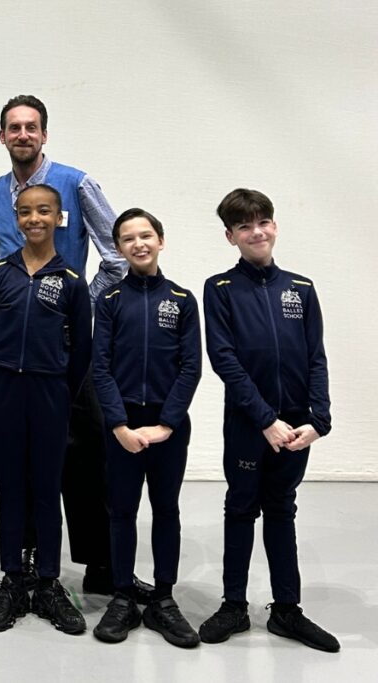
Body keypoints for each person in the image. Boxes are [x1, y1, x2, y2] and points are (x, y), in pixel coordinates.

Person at [0, 95, 137, 596]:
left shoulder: (76, 182)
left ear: (44, 134)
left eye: (31, 127)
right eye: (13, 128)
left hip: (71, 348)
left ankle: (100, 565)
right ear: (2, 136)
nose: (22, 135)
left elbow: (115, 256)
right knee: (21, 458)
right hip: (16, 352)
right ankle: (25, 562)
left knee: (88, 452)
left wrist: (79, 311)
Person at [198, 189, 339, 653]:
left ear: (274, 226)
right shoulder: (219, 289)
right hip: (248, 425)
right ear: (230, 236)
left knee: (281, 509)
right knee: (240, 508)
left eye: (263, 222)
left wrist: (320, 418)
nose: (255, 232)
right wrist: (264, 419)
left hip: (298, 428)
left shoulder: (300, 288)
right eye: (244, 226)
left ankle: (287, 611)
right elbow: (224, 359)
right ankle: (234, 606)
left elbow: (316, 356)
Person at [0, 184, 91, 635]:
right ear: (16, 218)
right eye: (25, 212)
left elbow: (81, 349)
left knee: (46, 489)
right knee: (11, 490)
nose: (34, 219)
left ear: (58, 217)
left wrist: (58, 386)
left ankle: (47, 581)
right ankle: (12, 578)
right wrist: (3, 374)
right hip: (6, 390)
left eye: (44, 211)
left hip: (50, 394)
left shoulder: (71, 282)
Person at [90, 209, 201, 648]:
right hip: (122, 428)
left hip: (167, 428)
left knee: (166, 510)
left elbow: (191, 367)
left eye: (146, 236)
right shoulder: (110, 300)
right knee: (120, 511)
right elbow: (99, 368)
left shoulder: (182, 299)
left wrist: (167, 424)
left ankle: (164, 599)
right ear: (118, 248)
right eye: (129, 238)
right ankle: (122, 596)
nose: (139, 244)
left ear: (161, 241)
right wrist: (118, 425)